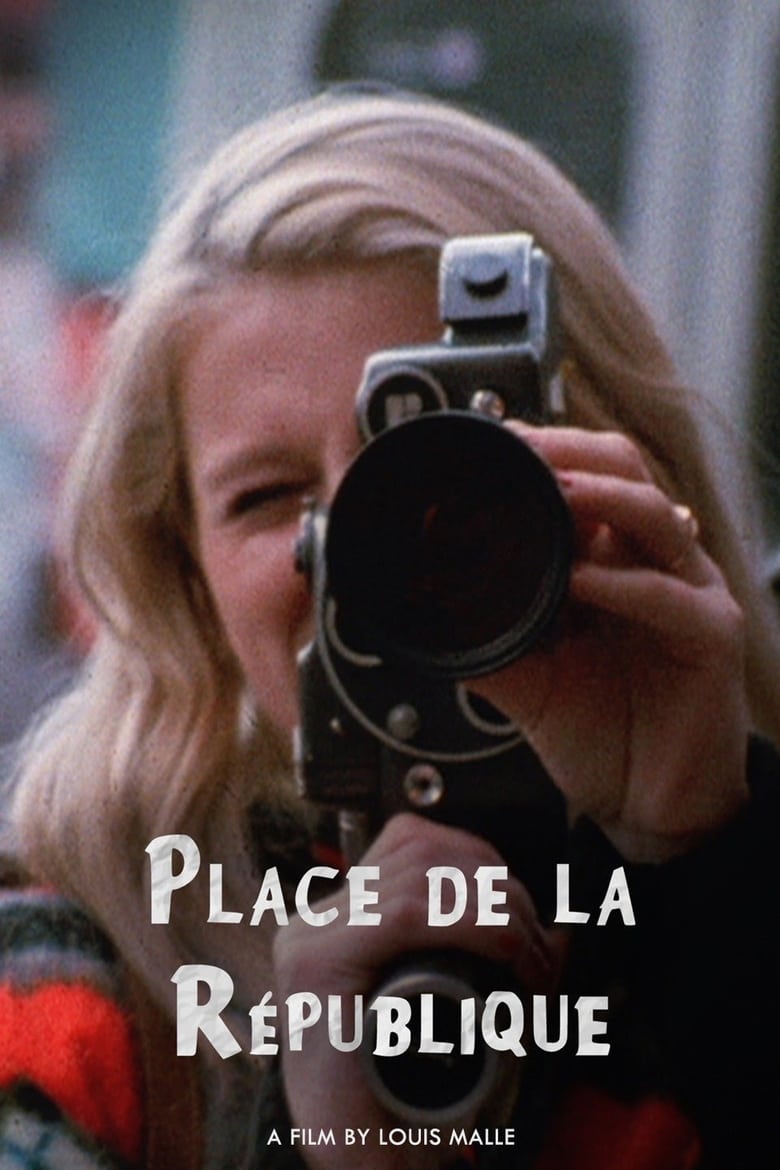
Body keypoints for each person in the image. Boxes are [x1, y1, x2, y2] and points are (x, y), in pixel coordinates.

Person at [1, 86, 779, 1170]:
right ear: (187, 575)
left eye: (433, 467)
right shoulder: (73, 986)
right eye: (269, 497)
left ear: (615, 472)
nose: (352, 550)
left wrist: (711, 867)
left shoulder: (728, 895)